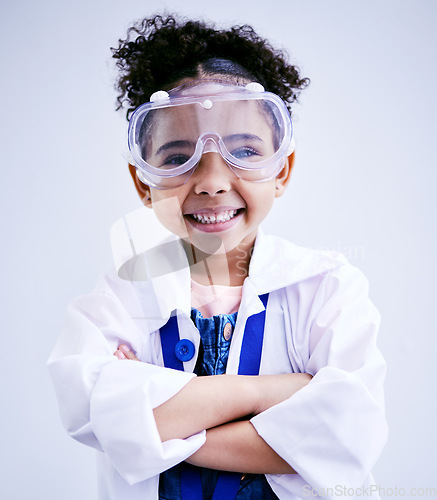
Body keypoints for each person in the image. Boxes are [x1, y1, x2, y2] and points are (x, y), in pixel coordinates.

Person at [48, 14, 388, 500]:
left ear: (282, 170)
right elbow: (90, 414)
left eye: (244, 150)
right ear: (142, 182)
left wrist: (156, 427)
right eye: (174, 157)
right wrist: (270, 393)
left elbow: (347, 437)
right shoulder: (120, 296)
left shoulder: (328, 286)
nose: (210, 181)